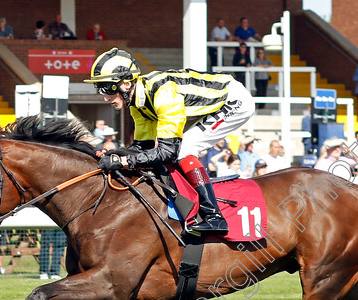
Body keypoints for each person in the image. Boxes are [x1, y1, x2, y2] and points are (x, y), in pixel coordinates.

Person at [85, 48, 256, 234]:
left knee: (184, 149)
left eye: (107, 88)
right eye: (99, 89)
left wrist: (124, 161)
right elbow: (143, 146)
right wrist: (115, 155)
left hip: (233, 100)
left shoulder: (163, 94)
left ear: (126, 84)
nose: (104, 96)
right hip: (208, 103)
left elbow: (168, 151)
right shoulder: (137, 103)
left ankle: (214, 216)